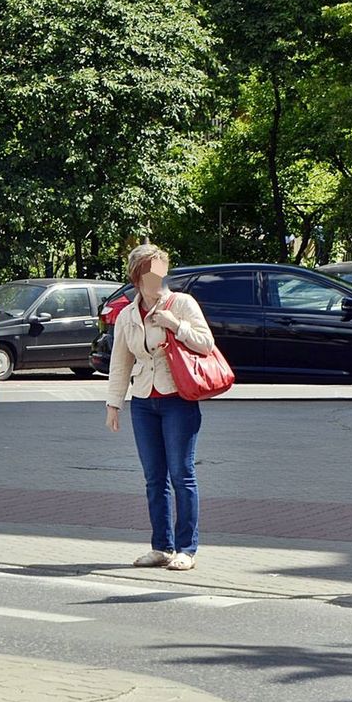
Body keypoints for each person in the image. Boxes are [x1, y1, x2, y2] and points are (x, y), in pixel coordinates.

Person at [105, 244, 215, 571]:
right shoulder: (127, 315)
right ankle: (161, 547)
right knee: (154, 478)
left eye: (161, 271)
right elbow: (120, 362)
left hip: (178, 398)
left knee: (182, 474)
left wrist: (174, 324)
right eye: (149, 272)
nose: (156, 278)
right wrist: (114, 405)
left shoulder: (181, 304)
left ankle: (186, 549)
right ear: (137, 276)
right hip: (143, 402)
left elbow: (206, 343)